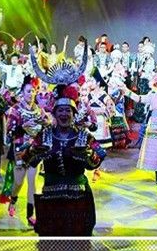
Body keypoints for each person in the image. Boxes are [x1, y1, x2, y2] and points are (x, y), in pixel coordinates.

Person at [30, 84, 105, 236]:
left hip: (78, 198)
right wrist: (37, 153)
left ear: (74, 113)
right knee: (53, 242)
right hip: (51, 198)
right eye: (60, 110)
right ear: (54, 113)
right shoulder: (44, 135)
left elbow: (100, 155)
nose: (64, 114)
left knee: (77, 240)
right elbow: (29, 159)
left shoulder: (83, 135)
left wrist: (87, 156)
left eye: (68, 110)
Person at [1, 76, 52, 227]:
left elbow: (47, 126)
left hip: (35, 150)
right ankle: (13, 200)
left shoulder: (39, 110)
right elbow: (9, 133)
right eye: (28, 91)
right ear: (22, 92)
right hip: (19, 150)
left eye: (33, 91)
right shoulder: (15, 110)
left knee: (32, 183)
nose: (31, 94)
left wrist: (46, 123)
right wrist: (23, 127)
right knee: (18, 182)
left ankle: (30, 215)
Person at [125, 71, 157, 184]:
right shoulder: (152, 96)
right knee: (155, 150)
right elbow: (139, 98)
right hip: (154, 126)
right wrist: (126, 92)